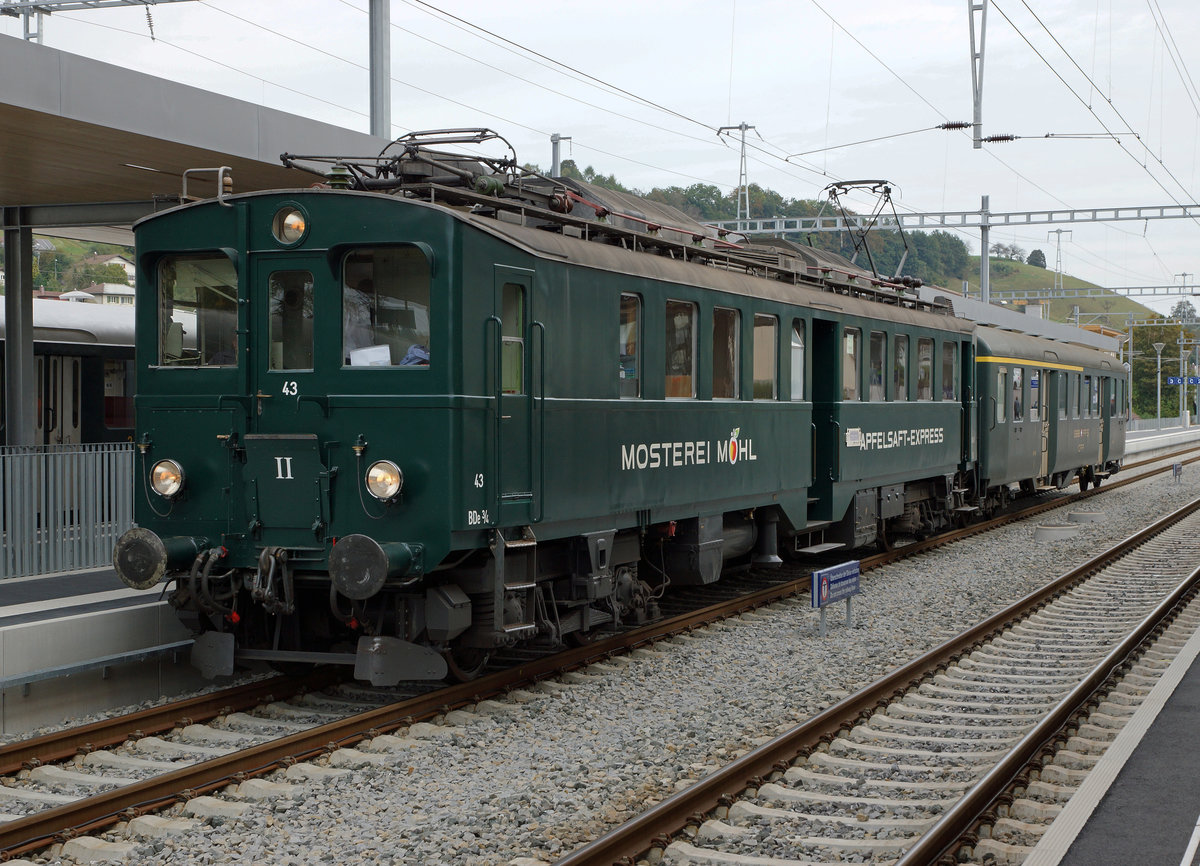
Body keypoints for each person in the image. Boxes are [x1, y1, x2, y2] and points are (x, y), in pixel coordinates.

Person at [344, 277, 376, 360]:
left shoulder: (362, 308)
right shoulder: (356, 309)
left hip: (357, 352)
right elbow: (363, 336)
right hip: (353, 353)